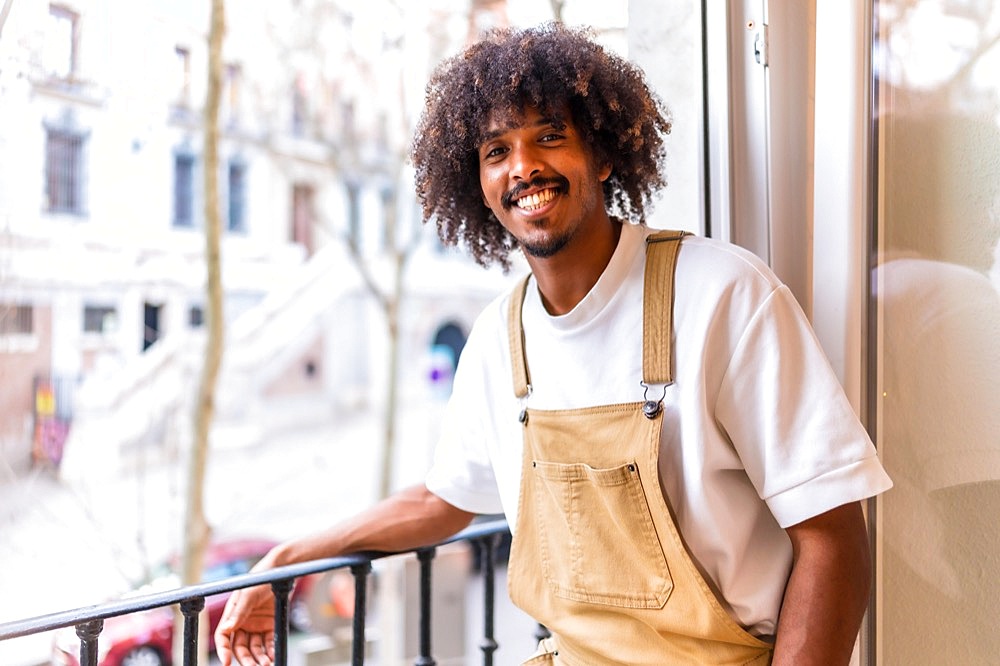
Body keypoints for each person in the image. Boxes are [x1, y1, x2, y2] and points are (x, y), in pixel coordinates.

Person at [215, 23, 892, 666]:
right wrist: (287, 558)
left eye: (549, 137)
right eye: (497, 151)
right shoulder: (498, 339)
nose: (524, 168)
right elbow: (439, 501)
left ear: (601, 155)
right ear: (478, 185)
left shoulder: (723, 294)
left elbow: (834, 540)